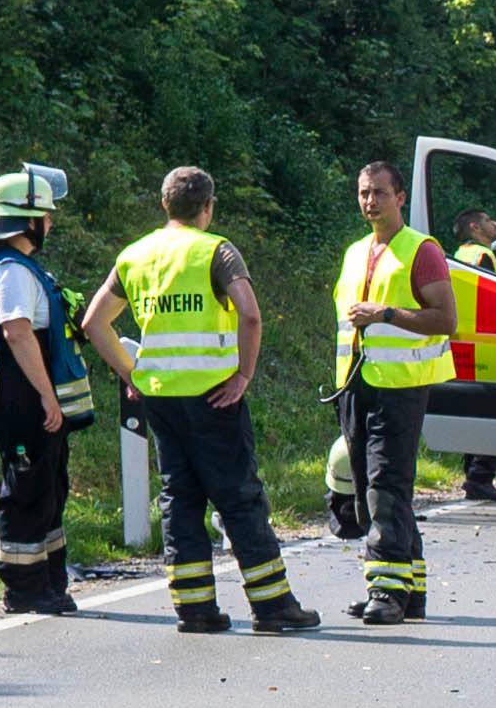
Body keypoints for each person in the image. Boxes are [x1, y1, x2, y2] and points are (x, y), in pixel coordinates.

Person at [80, 166, 320, 634]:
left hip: (162, 400)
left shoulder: (135, 256)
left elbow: (94, 323)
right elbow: (250, 316)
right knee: (239, 498)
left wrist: (132, 374)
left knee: (180, 498)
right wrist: (244, 374)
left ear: (164, 205)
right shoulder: (217, 251)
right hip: (215, 397)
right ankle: (272, 607)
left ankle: (194, 609)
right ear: (207, 207)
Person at [0, 168, 92, 612]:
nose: (51, 223)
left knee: (49, 483)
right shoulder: (11, 271)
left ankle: (47, 581)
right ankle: (24, 588)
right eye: (46, 216)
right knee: (29, 487)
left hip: (24, 389)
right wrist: (48, 397)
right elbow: (17, 334)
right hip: (21, 391)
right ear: (26, 221)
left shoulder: (15, 266)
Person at [332, 159, 454, 624]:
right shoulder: (355, 251)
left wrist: (388, 314)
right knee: (371, 490)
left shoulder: (421, 250)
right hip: (356, 385)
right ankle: (412, 589)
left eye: (380, 193)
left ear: (400, 197)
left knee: (386, 488)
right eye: (364, 193)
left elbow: (445, 319)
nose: (370, 201)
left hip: (401, 390)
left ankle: (385, 591)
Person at [446, 207, 496, 503]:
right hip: (490, 340)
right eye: (488, 220)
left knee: (477, 408)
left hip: (468, 340)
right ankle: (480, 476)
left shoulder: (461, 255)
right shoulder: (482, 258)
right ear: (475, 227)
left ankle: (472, 473)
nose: (495, 223)